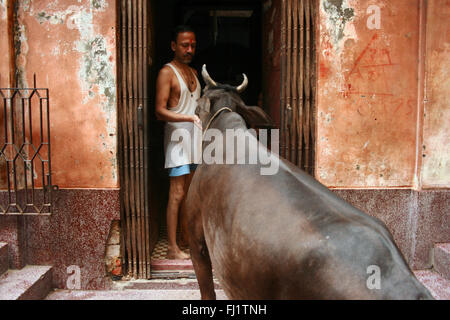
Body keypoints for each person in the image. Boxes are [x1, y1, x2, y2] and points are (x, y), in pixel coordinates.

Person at [155, 25, 202, 260]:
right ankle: (173, 249)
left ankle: (185, 239)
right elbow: (159, 111)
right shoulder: (167, 72)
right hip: (177, 140)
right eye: (184, 45)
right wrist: (189, 117)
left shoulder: (193, 72)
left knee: (191, 193)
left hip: (196, 140)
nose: (189, 49)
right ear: (174, 46)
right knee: (177, 193)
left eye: (192, 45)